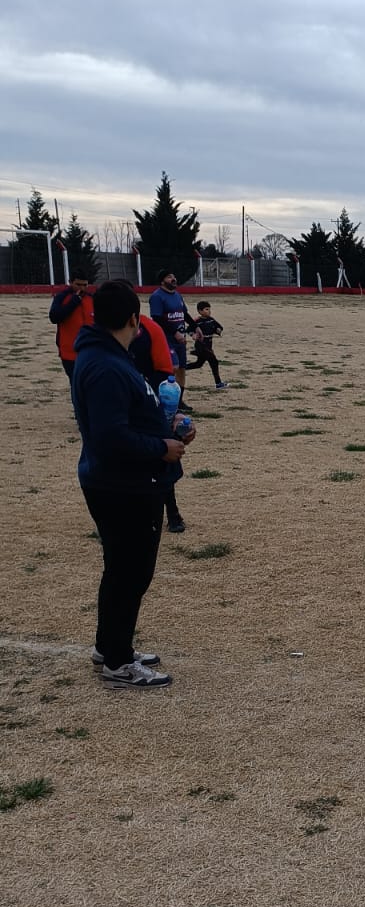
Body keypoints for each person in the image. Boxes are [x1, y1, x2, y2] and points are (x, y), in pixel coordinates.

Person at [72, 278, 196, 686]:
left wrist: (169, 424)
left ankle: (110, 645)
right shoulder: (105, 366)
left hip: (123, 481)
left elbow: (125, 418)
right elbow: (110, 437)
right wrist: (160, 448)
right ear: (133, 319)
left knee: (120, 570)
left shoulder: (107, 355)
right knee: (130, 573)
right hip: (123, 487)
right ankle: (118, 662)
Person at [130, 311, 188, 533]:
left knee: (160, 460)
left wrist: (170, 411)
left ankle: (172, 512)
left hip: (151, 400)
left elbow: (166, 372)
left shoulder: (150, 330)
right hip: (125, 406)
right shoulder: (100, 345)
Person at [147, 270, 194, 409]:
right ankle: (162, 398)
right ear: (162, 281)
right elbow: (157, 318)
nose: (173, 279)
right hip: (166, 339)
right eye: (169, 277)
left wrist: (195, 327)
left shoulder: (177, 295)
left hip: (180, 339)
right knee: (172, 367)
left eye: (174, 276)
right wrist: (174, 332)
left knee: (182, 369)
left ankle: (178, 401)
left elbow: (184, 314)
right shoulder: (157, 296)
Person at [49, 276, 94, 385]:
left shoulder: (92, 299)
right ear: (70, 282)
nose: (82, 288)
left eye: (85, 285)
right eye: (78, 285)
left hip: (91, 353)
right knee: (76, 385)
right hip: (69, 353)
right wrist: (73, 303)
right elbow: (54, 317)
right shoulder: (61, 297)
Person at [189, 301, 228, 388]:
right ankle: (218, 383)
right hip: (201, 345)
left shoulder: (211, 320)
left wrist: (218, 330)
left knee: (198, 364)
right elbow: (189, 329)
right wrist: (193, 334)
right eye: (206, 309)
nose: (209, 311)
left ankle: (180, 368)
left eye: (209, 309)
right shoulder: (197, 321)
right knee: (214, 362)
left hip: (208, 345)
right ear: (200, 311)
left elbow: (219, 327)